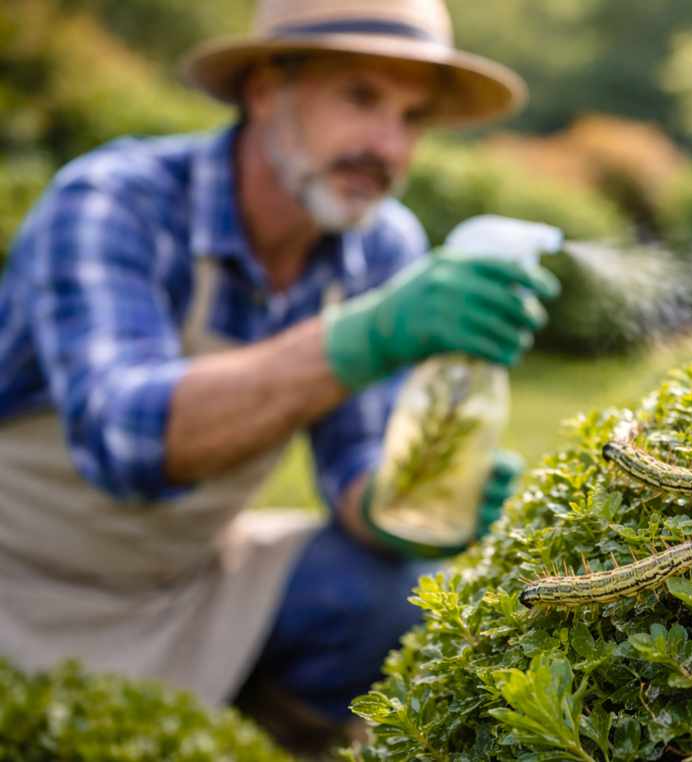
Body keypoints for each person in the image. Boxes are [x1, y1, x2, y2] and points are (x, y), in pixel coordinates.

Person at [0, 0, 558, 753]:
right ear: (265, 89)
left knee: (387, 594)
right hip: (21, 576)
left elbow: (353, 466)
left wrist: (406, 502)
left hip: (185, 583)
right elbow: (124, 441)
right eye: (360, 97)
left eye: (412, 117)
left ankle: (264, 734)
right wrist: (364, 336)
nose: (387, 146)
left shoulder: (380, 246)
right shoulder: (113, 202)